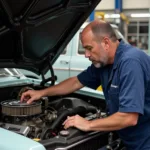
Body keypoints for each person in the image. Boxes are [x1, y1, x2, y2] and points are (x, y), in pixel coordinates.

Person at [21, 20, 150, 150]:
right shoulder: (103, 63)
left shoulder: (131, 62)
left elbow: (129, 118)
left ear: (106, 43)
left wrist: (88, 124)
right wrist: (41, 93)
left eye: (89, 48)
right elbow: (76, 82)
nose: (87, 55)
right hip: (128, 140)